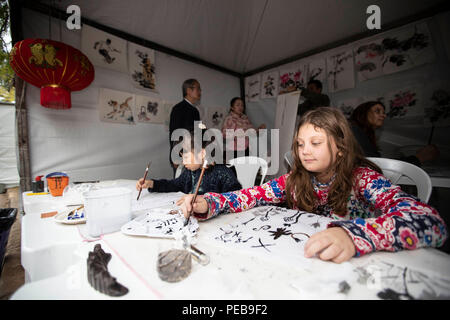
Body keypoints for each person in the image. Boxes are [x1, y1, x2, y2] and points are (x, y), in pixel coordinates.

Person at [178, 107, 447, 263]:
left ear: (341, 148)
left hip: (357, 263)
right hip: (305, 259)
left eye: (316, 143)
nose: (305, 151)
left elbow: (430, 221)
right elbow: (251, 195)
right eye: (300, 144)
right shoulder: (295, 179)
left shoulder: (362, 178)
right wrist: (210, 202)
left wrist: (354, 236)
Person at [137, 129, 242, 196]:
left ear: (202, 153)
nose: (183, 162)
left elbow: (235, 198)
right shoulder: (190, 172)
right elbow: (174, 185)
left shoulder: (223, 173)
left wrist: (209, 202)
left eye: (186, 156)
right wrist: (152, 184)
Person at [350, 101, 439, 167]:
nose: (384, 115)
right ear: (363, 113)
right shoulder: (355, 130)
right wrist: (418, 158)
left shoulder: (363, 133)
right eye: (377, 111)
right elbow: (374, 164)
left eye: (384, 112)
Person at [169, 79, 202, 176]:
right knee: (180, 187)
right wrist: (175, 155)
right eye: (198, 88)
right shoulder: (178, 109)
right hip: (182, 154)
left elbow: (197, 134)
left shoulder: (195, 110)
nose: (200, 91)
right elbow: (174, 133)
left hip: (194, 154)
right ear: (188, 90)